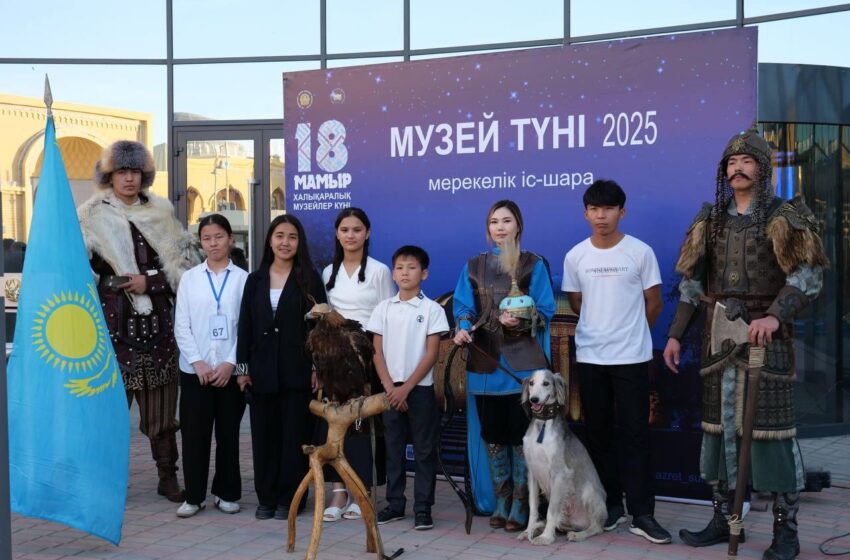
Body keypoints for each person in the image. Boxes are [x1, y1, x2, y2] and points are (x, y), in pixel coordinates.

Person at [663, 126, 828, 560]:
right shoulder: (709, 222)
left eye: (747, 161)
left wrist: (774, 315)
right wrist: (675, 335)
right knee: (719, 436)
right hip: (719, 342)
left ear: (762, 168)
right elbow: (691, 284)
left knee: (774, 439)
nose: (738, 168)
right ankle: (724, 520)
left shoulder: (783, 217)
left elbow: (807, 276)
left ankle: (786, 533)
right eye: (732, 163)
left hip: (766, 342)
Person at [78, 140, 199, 502]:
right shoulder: (89, 215)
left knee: (162, 412)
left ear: (144, 174)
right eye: (122, 171)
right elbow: (78, 270)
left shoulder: (161, 212)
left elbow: (185, 267)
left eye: (134, 171)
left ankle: (167, 477)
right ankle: (103, 480)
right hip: (111, 324)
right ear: (109, 176)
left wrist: (152, 282)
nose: (129, 178)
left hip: (158, 325)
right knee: (108, 412)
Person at [561, 180, 671, 544]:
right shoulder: (576, 256)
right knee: (598, 434)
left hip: (631, 358)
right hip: (591, 357)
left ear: (622, 212)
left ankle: (642, 513)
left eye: (608, 209)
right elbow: (577, 303)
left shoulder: (640, 252)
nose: (601, 216)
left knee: (635, 435)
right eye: (594, 209)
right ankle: (609, 506)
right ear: (585, 214)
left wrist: (633, 333)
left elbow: (654, 303)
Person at [452, 199, 555, 532]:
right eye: (494, 221)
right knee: (493, 435)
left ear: (518, 225)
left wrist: (521, 320)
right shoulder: (474, 265)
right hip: (484, 363)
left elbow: (546, 310)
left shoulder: (533, 264)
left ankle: (523, 503)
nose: (500, 227)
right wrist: (462, 327)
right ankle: (501, 499)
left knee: (520, 436)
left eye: (506, 220)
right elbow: (463, 307)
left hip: (522, 367)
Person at [236, 214, 327, 520]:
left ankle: (292, 499)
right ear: (270, 240)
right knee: (264, 437)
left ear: (299, 242)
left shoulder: (309, 278)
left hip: (297, 370)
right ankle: (267, 497)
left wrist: (317, 367)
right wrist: (242, 370)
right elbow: (245, 326)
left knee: (294, 438)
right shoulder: (255, 279)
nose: (285, 242)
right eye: (279, 236)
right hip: (261, 371)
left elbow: (320, 328)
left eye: (292, 237)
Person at [319, 208, 395, 523]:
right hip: (334, 360)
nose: (351, 235)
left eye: (357, 229)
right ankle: (338, 491)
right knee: (334, 424)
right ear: (337, 234)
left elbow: (388, 316)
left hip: (367, 357)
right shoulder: (328, 272)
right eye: (345, 230)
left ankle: (361, 489)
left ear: (367, 233)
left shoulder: (379, 271)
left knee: (362, 425)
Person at [368, 245, 449, 530]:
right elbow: (376, 352)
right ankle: (395, 504)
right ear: (393, 273)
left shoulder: (432, 309)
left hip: (420, 390)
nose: (405, 273)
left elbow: (431, 354)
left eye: (412, 267)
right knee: (393, 448)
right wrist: (390, 387)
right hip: (390, 389)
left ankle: (423, 508)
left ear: (424, 273)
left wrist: (407, 388)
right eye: (400, 268)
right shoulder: (383, 308)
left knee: (425, 450)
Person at [173, 214, 248, 517]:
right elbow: (182, 325)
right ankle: (194, 496)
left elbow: (247, 328)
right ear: (200, 243)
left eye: (219, 237)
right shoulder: (190, 279)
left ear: (230, 239)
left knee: (228, 435)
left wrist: (231, 363)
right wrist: (198, 362)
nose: (213, 243)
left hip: (229, 371)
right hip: (196, 372)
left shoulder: (244, 279)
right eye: (207, 238)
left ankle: (226, 493)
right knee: (194, 436)